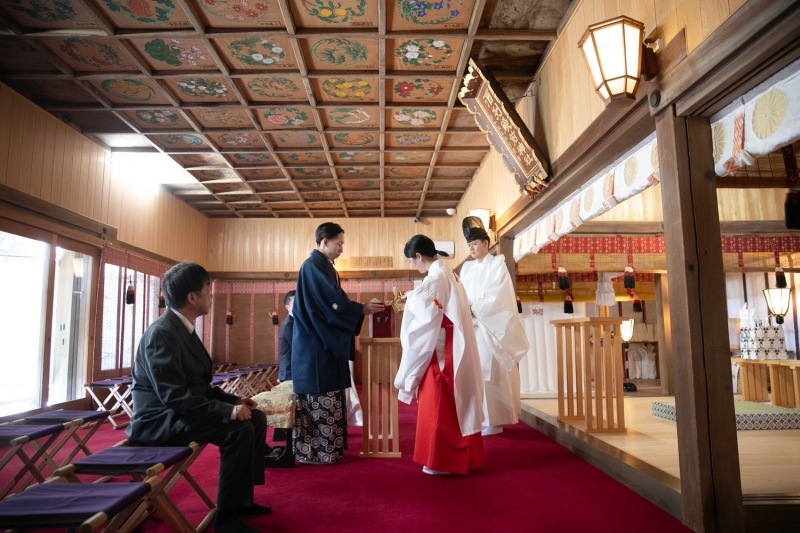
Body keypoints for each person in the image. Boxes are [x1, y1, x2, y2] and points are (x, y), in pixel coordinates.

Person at [127, 262, 270, 533]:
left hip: (180, 411)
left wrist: (233, 402)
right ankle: (225, 519)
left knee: (256, 418)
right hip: (159, 420)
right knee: (238, 430)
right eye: (208, 289)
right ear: (193, 298)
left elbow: (200, 387)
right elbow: (174, 396)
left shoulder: (184, 328)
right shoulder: (162, 333)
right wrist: (227, 413)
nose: (211, 296)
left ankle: (241, 500)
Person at [291, 222, 384, 464]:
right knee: (319, 395)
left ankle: (327, 450)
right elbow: (330, 304)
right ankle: (317, 452)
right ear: (325, 242)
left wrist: (358, 309)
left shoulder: (325, 267)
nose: (342, 248)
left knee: (329, 394)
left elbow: (335, 302)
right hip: (314, 346)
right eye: (339, 243)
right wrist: (360, 309)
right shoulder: (312, 266)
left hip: (322, 342)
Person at [394, 235, 485, 475]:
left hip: (443, 347)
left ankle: (444, 461)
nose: (414, 266)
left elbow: (425, 314)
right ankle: (464, 458)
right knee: (457, 402)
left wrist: (412, 300)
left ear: (419, 257)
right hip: (451, 342)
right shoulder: (449, 273)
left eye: (412, 262)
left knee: (439, 404)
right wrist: (414, 296)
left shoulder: (436, 277)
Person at [459, 217, 530, 436]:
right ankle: (478, 417)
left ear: (485, 244)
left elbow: (499, 297)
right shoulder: (467, 269)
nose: (471, 248)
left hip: (490, 327)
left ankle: (494, 419)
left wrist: (476, 308)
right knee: (475, 373)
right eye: (469, 245)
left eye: (474, 244)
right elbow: (461, 293)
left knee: (491, 373)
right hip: (472, 326)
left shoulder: (497, 265)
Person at [278, 290, 295, 382]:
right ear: (288, 307)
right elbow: (298, 347)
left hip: (293, 371)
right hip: (289, 373)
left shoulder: (295, 321)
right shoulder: (289, 324)